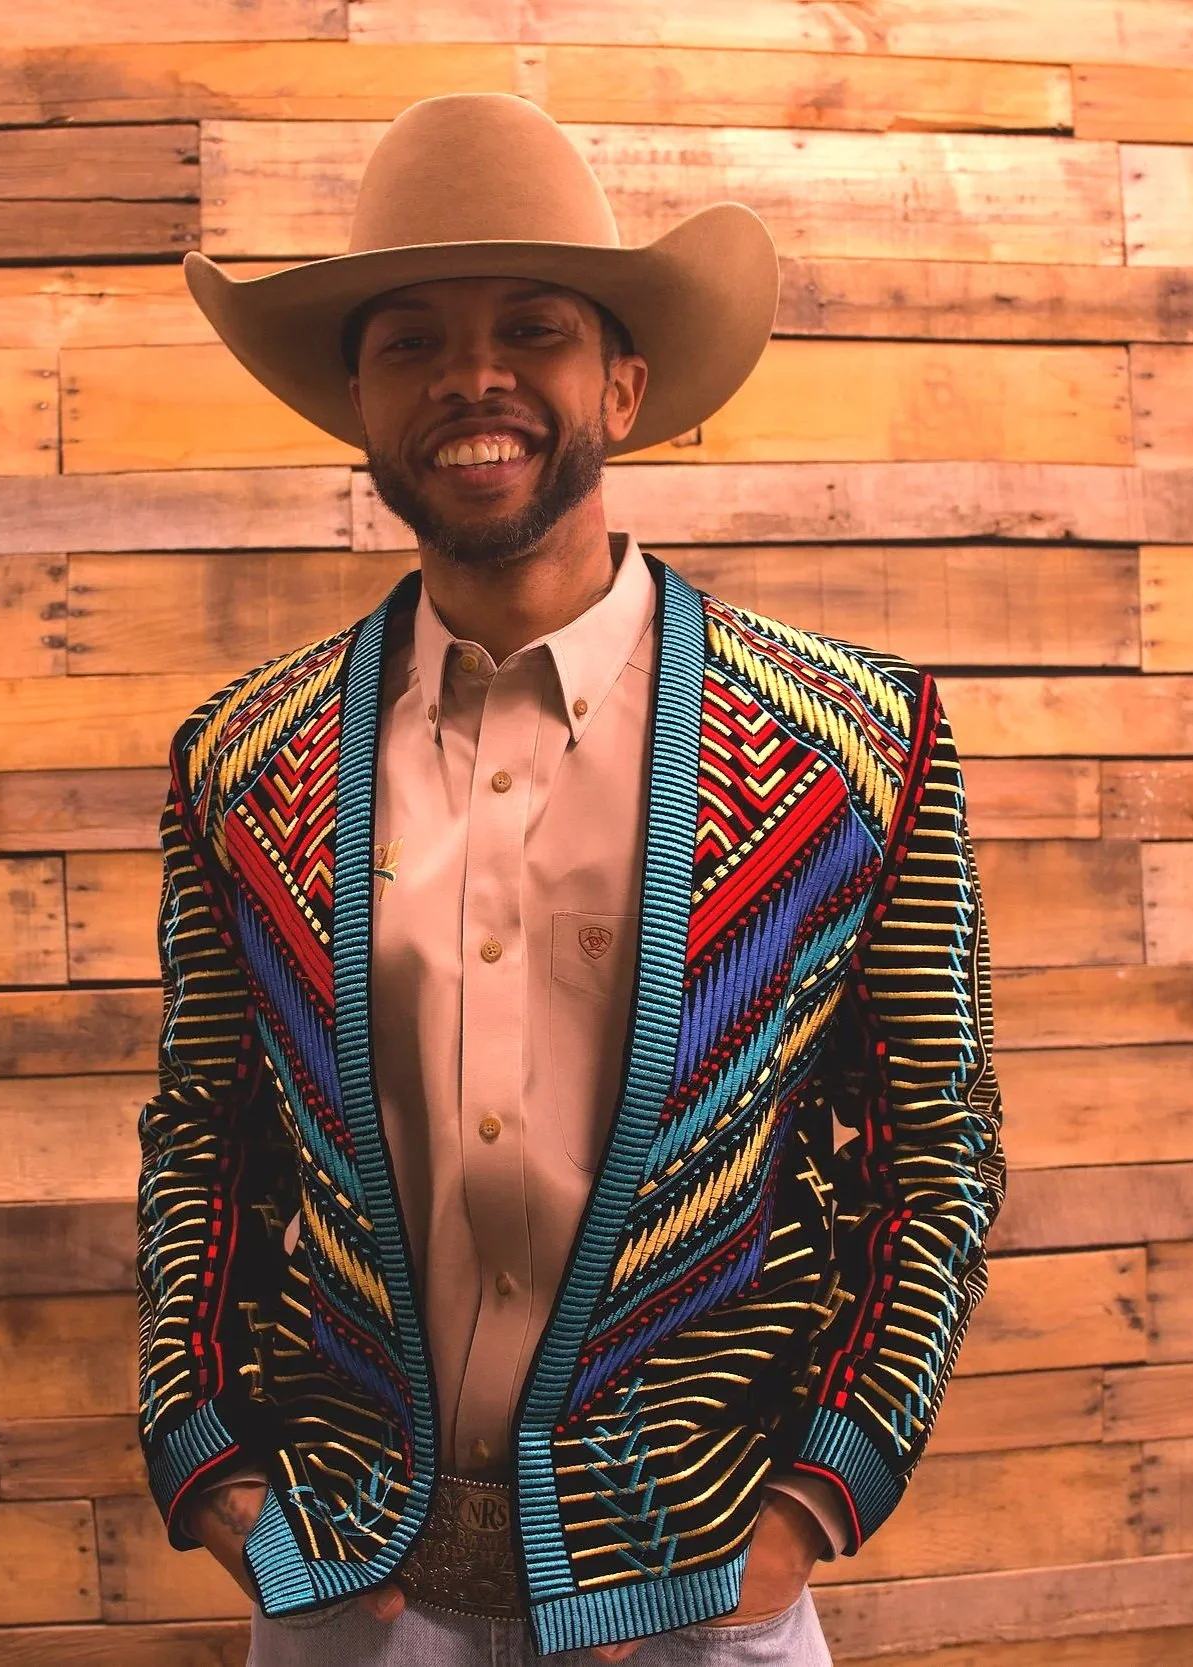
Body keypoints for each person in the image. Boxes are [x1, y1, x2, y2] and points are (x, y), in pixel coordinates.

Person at [136, 93, 1005, 1667]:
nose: (473, 377)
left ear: (622, 376)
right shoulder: (242, 763)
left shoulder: (857, 745)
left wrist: (817, 1499)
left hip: (696, 1589)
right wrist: (200, 1455)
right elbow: (207, 1130)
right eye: (410, 340)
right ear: (359, 402)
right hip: (348, 1586)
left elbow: (935, 1154)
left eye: (529, 327)